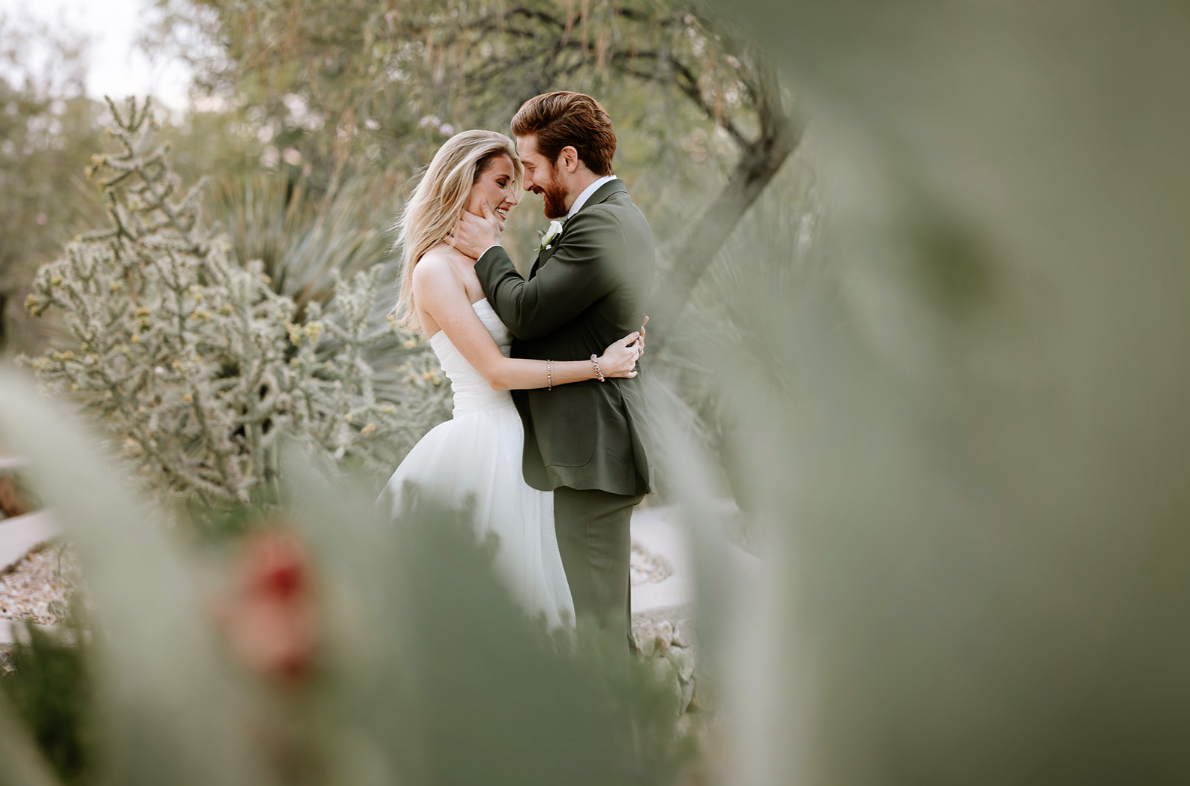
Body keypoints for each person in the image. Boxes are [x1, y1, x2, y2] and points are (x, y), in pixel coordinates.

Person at [381, 129, 644, 630]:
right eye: (501, 181)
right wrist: (597, 367)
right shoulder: (435, 270)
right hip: (488, 447)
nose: (511, 197)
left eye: (516, 182)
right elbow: (497, 371)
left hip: (531, 442)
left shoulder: (483, 257)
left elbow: (533, 327)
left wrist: (616, 330)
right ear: (462, 181)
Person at [448, 92, 656, 654]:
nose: (528, 185)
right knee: (603, 636)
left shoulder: (603, 225)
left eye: (533, 168)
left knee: (600, 642)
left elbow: (527, 310)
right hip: (582, 454)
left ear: (568, 160)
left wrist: (490, 250)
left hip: (590, 457)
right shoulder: (604, 218)